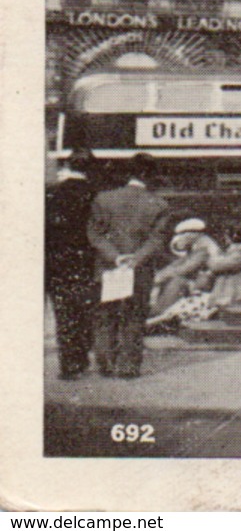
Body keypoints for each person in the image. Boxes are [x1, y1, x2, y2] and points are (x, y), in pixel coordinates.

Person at [87, 156, 171, 378]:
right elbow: (156, 239)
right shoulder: (159, 204)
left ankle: (105, 362)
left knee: (106, 314)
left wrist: (115, 257)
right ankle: (129, 366)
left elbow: (95, 234)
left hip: (109, 267)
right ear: (149, 176)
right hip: (139, 268)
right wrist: (136, 258)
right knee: (134, 316)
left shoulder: (104, 199)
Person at [45, 150, 101, 379]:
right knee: (86, 310)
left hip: (57, 262)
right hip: (87, 261)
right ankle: (83, 355)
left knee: (64, 313)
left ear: (67, 165)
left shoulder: (51, 194)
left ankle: (69, 364)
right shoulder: (96, 195)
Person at [149, 218, 225, 322]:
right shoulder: (197, 245)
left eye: (184, 234)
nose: (181, 238)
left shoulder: (204, 247)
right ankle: (156, 311)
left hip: (209, 284)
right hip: (202, 281)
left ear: (192, 234)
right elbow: (179, 263)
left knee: (177, 281)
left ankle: (157, 312)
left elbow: (186, 268)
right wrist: (161, 274)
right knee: (168, 278)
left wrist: (162, 276)